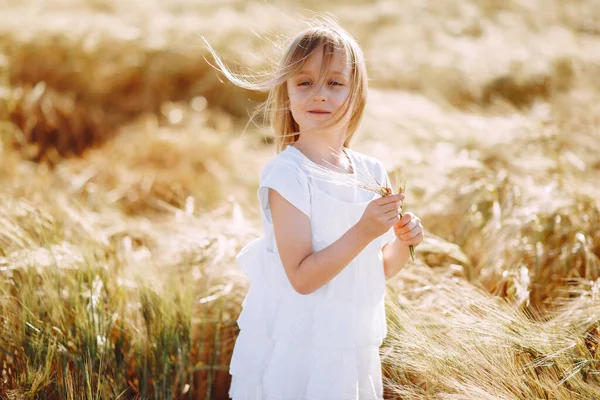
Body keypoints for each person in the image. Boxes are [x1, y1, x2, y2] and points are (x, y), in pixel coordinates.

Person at [206, 15, 424, 400]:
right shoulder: (288, 175)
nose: (319, 94)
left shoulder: (371, 171)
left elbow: (374, 271)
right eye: (304, 82)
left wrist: (404, 244)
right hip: (297, 348)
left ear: (356, 94)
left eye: (335, 83)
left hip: (348, 346)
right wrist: (363, 231)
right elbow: (303, 279)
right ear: (287, 94)